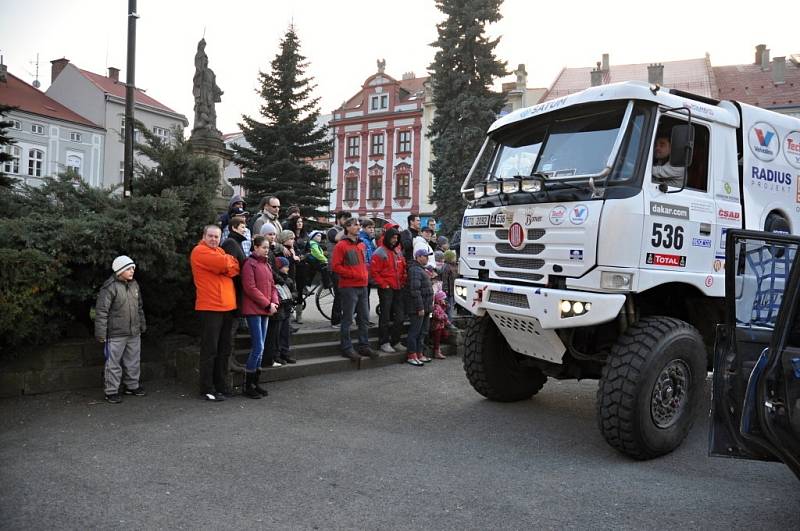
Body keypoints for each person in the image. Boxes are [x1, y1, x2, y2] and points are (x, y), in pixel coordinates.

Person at [190, 225, 240, 401]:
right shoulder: (200, 251)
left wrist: (227, 264)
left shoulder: (218, 251)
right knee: (210, 350)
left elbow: (235, 268)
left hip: (227, 306)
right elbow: (226, 263)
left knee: (224, 350)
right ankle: (207, 388)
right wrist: (226, 263)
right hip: (210, 307)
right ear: (204, 236)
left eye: (216, 236)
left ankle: (221, 385)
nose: (213, 239)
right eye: (210, 236)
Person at [95, 255, 146, 404]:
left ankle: (132, 386)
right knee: (113, 362)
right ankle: (111, 391)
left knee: (133, 360)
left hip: (133, 332)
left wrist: (141, 324)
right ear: (119, 270)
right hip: (115, 333)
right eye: (129, 269)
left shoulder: (134, 285)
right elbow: (102, 311)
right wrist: (101, 333)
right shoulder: (110, 287)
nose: (132, 271)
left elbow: (139, 307)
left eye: (133, 268)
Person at [331, 217, 377, 360]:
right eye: (355, 225)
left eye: (359, 225)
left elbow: (364, 263)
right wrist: (354, 274)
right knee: (348, 319)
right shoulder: (341, 245)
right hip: (349, 286)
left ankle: (364, 346)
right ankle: (346, 347)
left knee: (364, 318)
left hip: (362, 285)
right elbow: (336, 266)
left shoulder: (361, 244)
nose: (358, 227)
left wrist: (365, 274)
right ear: (347, 228)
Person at [240, 235, 278, 399]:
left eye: (268, 248)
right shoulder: (250, 264)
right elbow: (250, 288)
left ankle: (255, 383)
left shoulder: (267, 265)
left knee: (260, 350)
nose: (266, 250)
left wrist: (274, 302)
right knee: (258, 347)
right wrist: (267, 304)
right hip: (254, 310)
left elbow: (272, 286)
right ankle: (247, 385)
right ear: (255, 247)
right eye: (264, 247)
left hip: (265, 309)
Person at [370, 226, 407, 353]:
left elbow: (403, 267)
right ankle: (384, 342)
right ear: (387, 238)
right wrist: (383, 284)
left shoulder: (397, 251)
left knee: (400, 317)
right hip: (386, 289)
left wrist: (403, 280)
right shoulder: (380, 252)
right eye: (393, 237)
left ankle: (396, 341)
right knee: (385, 317)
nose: (395, 240)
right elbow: (374, 272)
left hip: (397, 288)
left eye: (397, 238)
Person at [220, 215, 249, 373]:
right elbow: (232, 270)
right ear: (234, 228)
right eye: (242, 226)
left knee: (233, 329)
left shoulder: (236, 242)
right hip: (233, 293)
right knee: (230, 330)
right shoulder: (231, 243)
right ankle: (228, 361)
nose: (245, 228)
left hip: (236, 292)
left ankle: (232, 360)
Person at [406, 248, 434, 366]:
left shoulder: (421, 269)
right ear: (418, 257)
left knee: (423, 332)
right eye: (425, 256)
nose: (427, 258)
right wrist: (420, 307)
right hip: (418, 308)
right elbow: (415, 290)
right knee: (415, 332)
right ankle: (411, 355)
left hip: (426, 307)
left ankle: (419, 353)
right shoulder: (415, 270)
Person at [269, 256, 297, 365]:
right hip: (279, 310)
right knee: (278, 334)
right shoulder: (275, 280)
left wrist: (291, 297)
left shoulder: (289, 280)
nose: (287, 269)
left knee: (285, 333)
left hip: (287, 309)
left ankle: (285, 353)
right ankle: (277, 355)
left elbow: (294, 292)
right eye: (285, 267)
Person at [327, 211, 352, 327]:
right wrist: (347, 229)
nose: (347, 222)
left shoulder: (345, 232)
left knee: (345, 294)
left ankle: (344, 318)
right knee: (339, 294)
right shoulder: (333, 231)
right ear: (339, 219)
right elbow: (337, 239)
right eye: (345, 219)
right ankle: (335, 320)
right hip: (335, 267)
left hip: (345, 267)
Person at [286, 216, 309, 324]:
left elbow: (308, 250)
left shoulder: (305, 235)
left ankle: (299, 314)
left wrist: (302, 257)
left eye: (301, 222)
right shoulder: (290, 235)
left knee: (300, 289)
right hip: (291, 264)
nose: (300, 223)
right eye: (298, 222)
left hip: (302, 265)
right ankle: (290, 312)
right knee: (290, 288)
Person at [430, 291, 450, 359]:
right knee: (437, 338)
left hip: (441, 325)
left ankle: (437, 347)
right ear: (439, 300)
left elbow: (445, 311)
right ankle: (437, 351)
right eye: (443, 299)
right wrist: (444, 317)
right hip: (436, 326)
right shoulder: (436, 306)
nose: (444, 300)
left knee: (445, 335)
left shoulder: (442, 306)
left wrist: (445, 305)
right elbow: (436, 315)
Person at [441, 249, 458, 322]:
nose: (455, 258)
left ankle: (449, 322)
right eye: (454, 257)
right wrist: (446, 290)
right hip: (448, 292)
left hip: (453, 291)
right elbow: (444, 280)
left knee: (451, 307)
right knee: (449, 308)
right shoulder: (446, 267)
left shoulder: (453, 265)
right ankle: (449, 323)